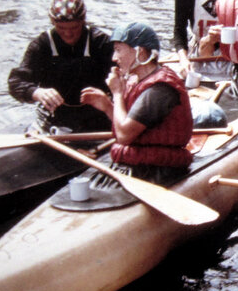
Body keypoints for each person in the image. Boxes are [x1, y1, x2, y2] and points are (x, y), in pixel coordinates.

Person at [81, 22, 193, 181]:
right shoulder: (141, 81)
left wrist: (117, 93)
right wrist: (107, 106)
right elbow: (132, 125)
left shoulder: (159, 90)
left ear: (139, 52)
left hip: (159, 169)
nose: (114, 58)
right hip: (142, 161)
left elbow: (124, 135)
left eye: (118, 50)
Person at [8, 0, 113, 133]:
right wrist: (36, 92)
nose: (68, 34)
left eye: (74, 27)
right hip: (53, 120)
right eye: (61, 28)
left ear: (83, 21)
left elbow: (124, 79)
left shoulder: (101, 43)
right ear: (52, 22)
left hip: (97, 121)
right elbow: (16, 81)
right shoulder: (41, 45)